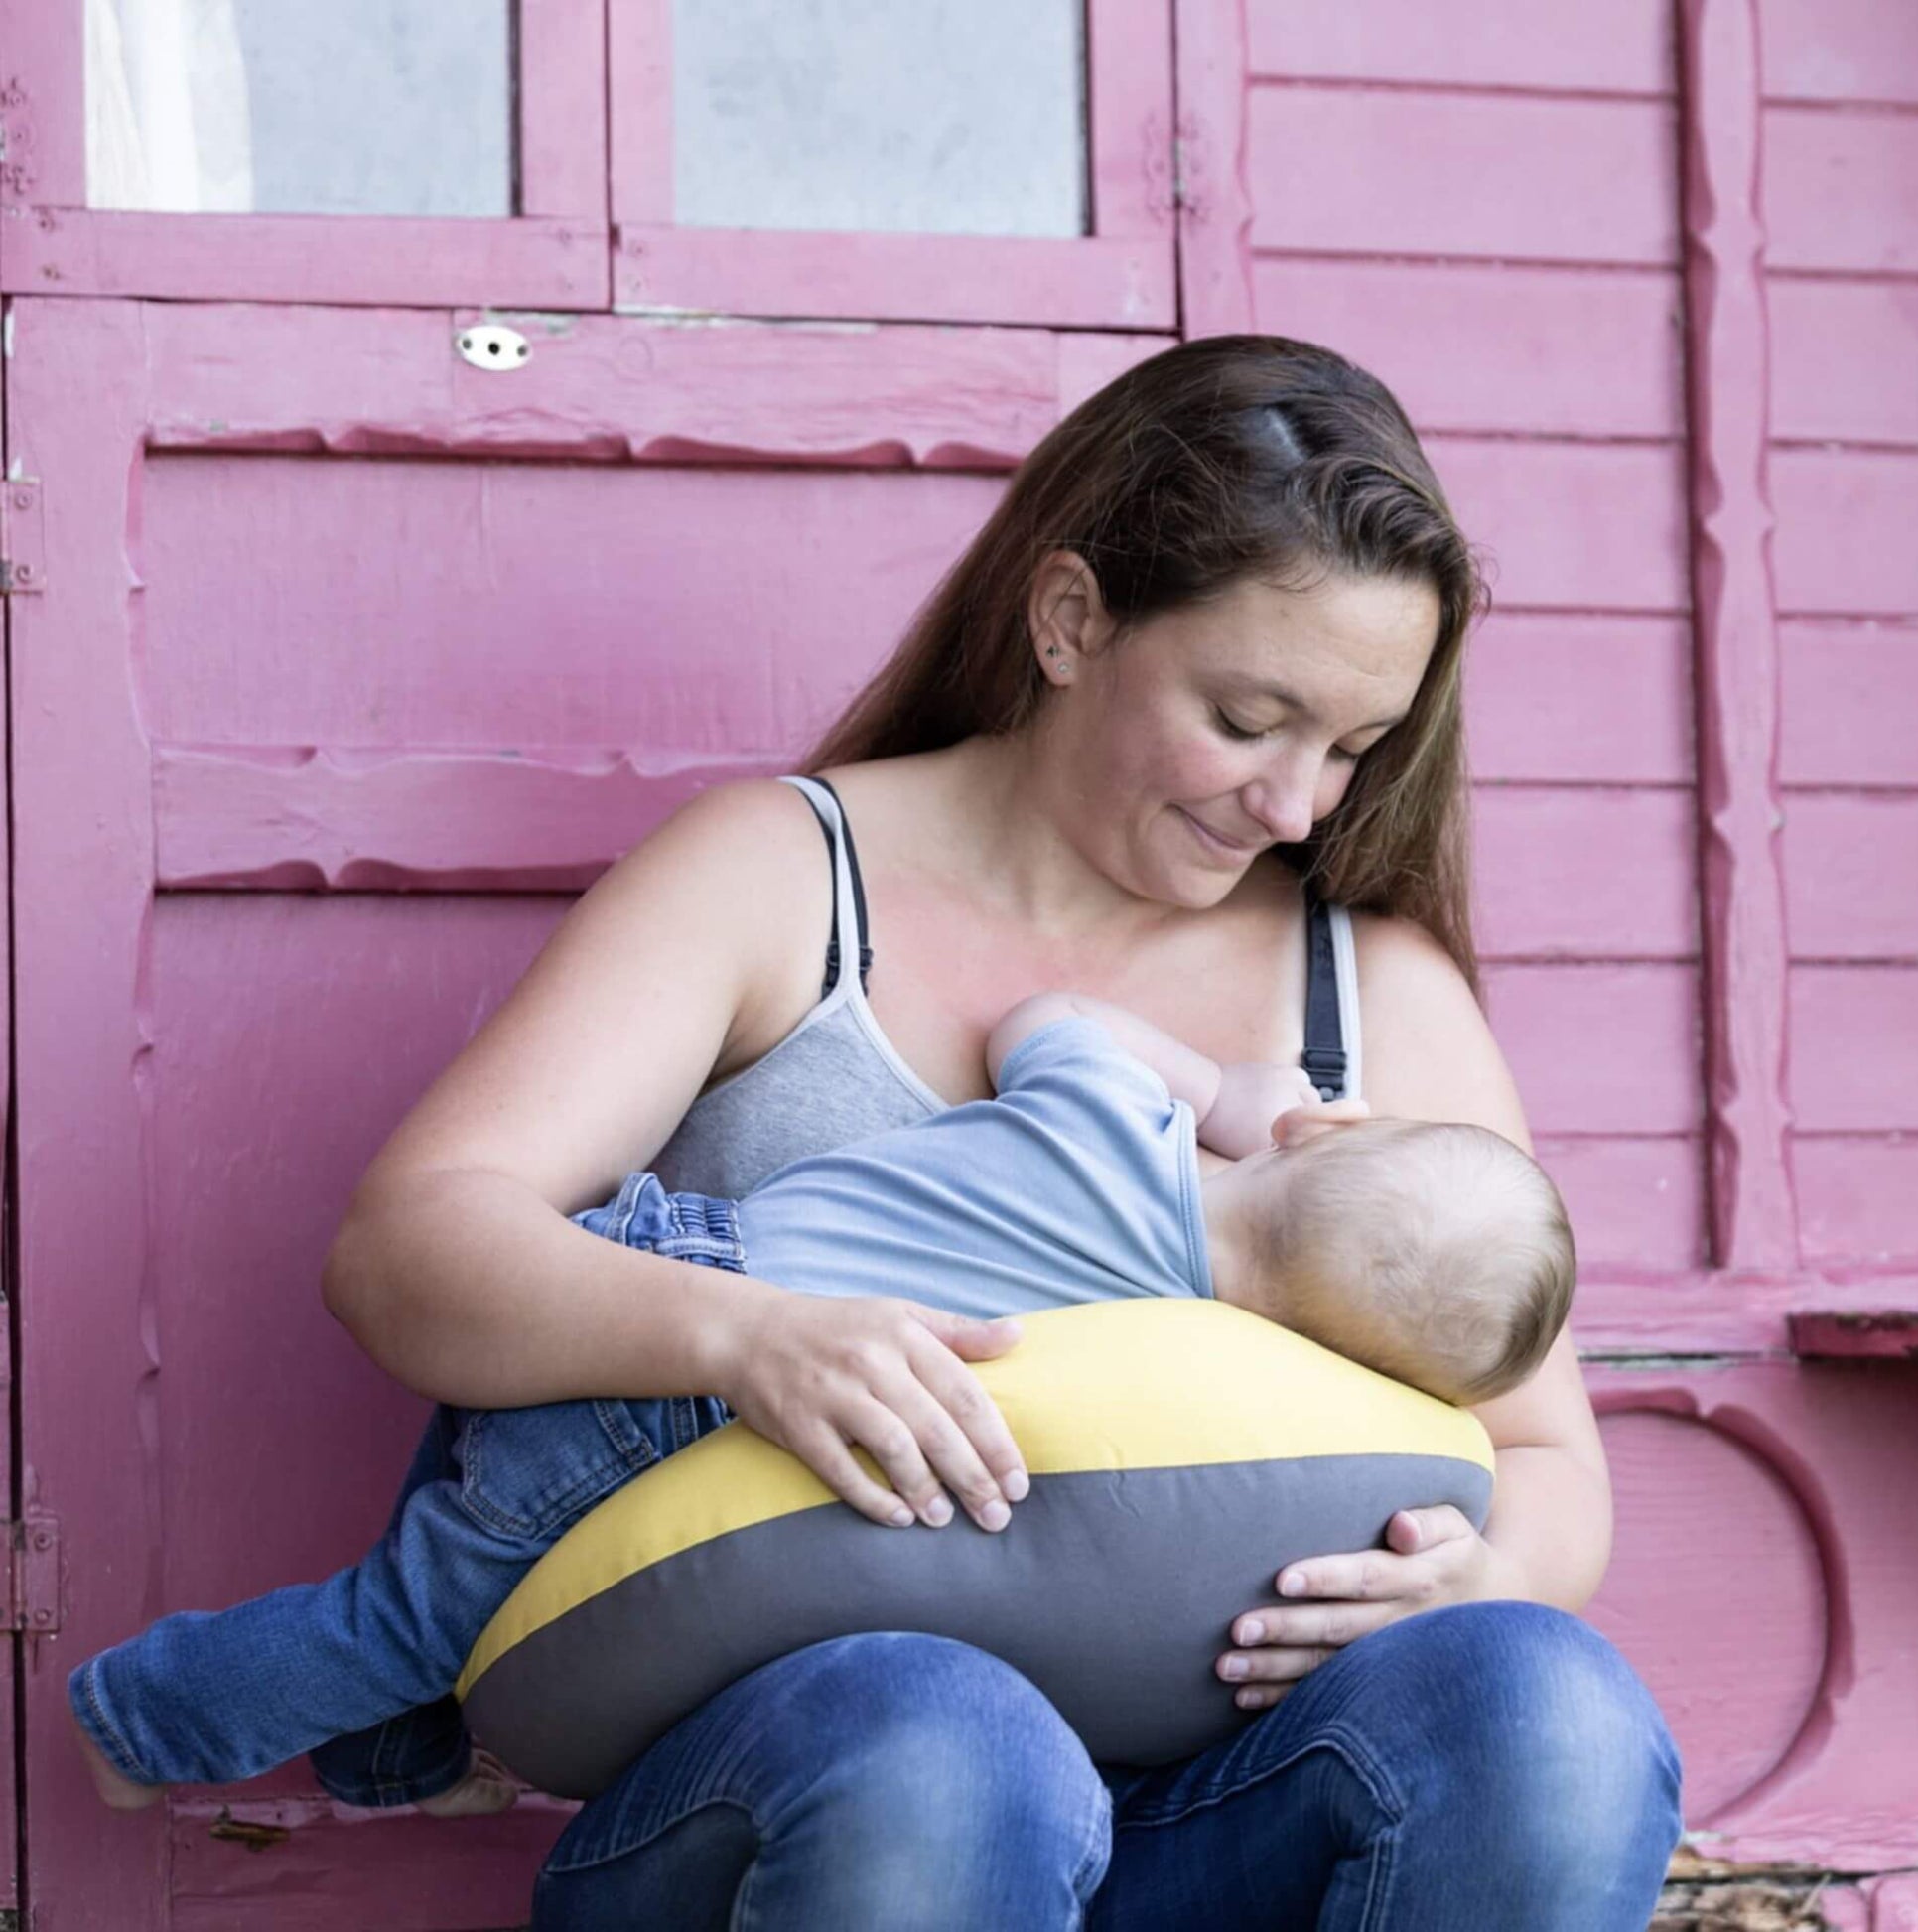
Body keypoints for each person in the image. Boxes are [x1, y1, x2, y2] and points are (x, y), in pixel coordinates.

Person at [311, 336, 1682, 1927]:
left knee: (1546, 1711)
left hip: (1204, 1812)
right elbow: (402, 1251)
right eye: (1249, 718)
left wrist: (1486, 1577)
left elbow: (1547, 1462)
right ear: (1070, 617)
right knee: (953, 1755)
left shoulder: (1368, 994)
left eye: (1353, 748)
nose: (1299, 806)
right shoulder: (778, 880)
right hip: (815, 1795)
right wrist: (744, 1334)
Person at [68, 984, 1576, 1814]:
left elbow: (1043, 1014)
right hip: (678, 1401)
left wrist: (1231, 1088)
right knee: (405, 1619)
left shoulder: (1108, 1106)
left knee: (454, 1551)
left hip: (638, 1262)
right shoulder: (1163, 1345)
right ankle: (140, 1723)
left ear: (1316, 1137)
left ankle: (383, 1745)